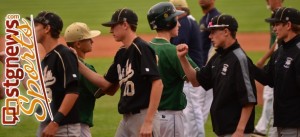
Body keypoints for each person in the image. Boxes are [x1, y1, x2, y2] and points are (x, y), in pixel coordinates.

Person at [74, 8, 163, 137]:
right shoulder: (121, 53)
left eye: (113, 26)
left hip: (143, 116)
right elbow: (106, 85)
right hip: (126, 119)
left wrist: (148, 122)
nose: (110, 30)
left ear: (125, 25)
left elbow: (158, 84)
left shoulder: (141, 48)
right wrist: (78, 64)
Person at [177, 14, 257, 137]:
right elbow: (196, 81)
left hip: (236, 132)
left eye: (213, 32)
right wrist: (183, 58)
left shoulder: (239, 59)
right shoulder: (218, 57)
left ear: (226, 32)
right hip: (223, 130)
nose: (210, 36)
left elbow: (249, 99)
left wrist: (240, 130)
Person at [147, 2, 200, 137]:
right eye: (176, 20)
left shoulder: (145, 48)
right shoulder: (173, 51)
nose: (180, 24)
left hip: (149, 116)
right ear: (168, 23)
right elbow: (196, 80)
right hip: (170, 118)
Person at [31, 11, 81, 137]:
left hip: (63, 127)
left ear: (47, 28)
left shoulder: (64, 54)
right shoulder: (47, 59)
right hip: (48, 124)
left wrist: (55, 122)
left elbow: (73, 91)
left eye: (36, 25)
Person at [254, 7, 300, 137]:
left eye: (277, 24)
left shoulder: (298, 52)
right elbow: (268, 78)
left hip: (295, 124)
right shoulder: (281, 50)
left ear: (289, 25)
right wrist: (247, 65)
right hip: (280, 121)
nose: (274, 29)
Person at [169, 0, 205, 136]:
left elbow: (177, 47)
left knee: (193, 113)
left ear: (179, 9)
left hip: (190, 74)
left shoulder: (183, 23)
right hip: (189, 71)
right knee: (190, 113)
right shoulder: (189, 20)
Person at [64, 22, 102, 137]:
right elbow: (104, 89)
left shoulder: (63, 63)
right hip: (77, 126)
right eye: (88, 39)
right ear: (78, 44)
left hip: (61, 123)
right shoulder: (85, 69)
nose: (92, 41)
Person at [252, 1, 283, 137]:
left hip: (280, 59)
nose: (268, 1)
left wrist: (263, 59)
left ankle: (263, 128)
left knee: (270, 94)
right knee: (269, 93)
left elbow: (277, 42)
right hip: (277, 57)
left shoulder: (282, 15)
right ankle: (264, 127)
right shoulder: (274, 15)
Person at [198, 0, 221, 123]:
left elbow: (217, 47)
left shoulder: (215, 17)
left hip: (208, 70)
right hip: (203, 69)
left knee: (200, 110)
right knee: (198, 109)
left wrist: (209, 68)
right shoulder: (205, 18)